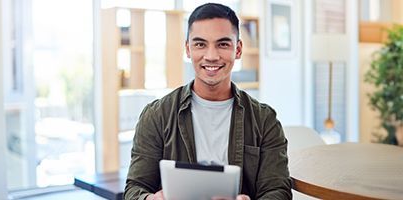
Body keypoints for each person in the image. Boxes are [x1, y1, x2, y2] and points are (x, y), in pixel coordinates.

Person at [124, 3, 292, 200]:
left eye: (222, 44)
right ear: (188, 49)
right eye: (200, 44)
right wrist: (150, 199)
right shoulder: (157, 115)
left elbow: (278, 191)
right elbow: (135, 189)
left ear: (237, 50)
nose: (211, 56)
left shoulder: (264, 120)